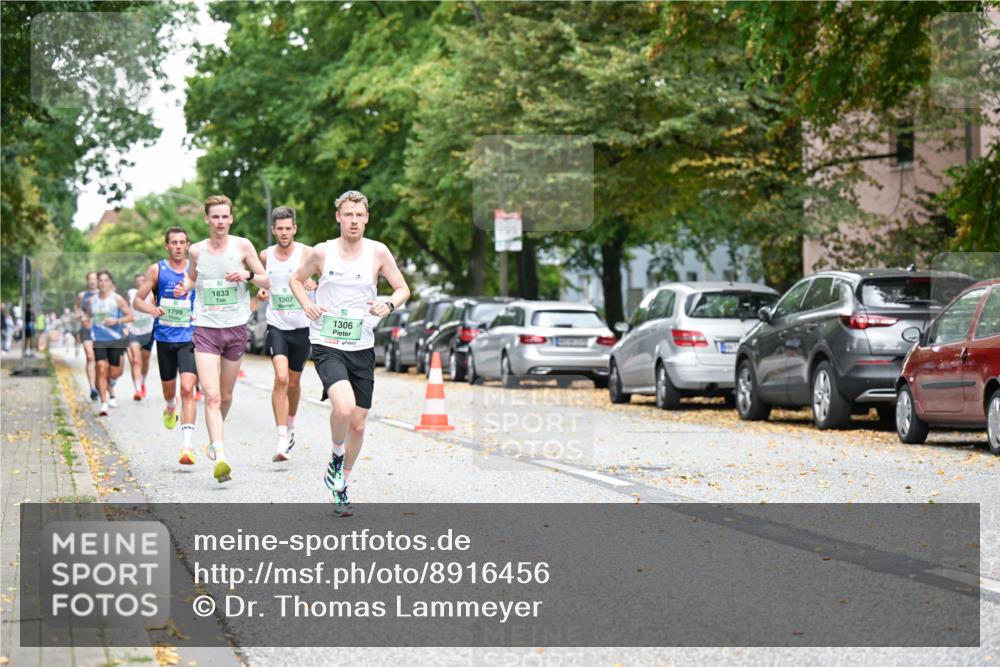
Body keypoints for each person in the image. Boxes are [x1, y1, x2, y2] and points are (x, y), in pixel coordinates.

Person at [289, 190, 409, 517]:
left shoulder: (378, 252)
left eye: (359, 215)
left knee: (358, 423)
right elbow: (297, 281)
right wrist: (308, 304)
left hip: (362, 345)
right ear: (338, 217)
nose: (354, 221)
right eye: (348, 214)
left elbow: (403, 288)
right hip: (328, 343)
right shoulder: (322, 252)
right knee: (343, 408)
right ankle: (336, 456)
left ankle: (341, 481)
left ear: (366, 218)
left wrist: (389, 303)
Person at [174, 195, 269, 483]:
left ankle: (215, 437)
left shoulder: (242, 246)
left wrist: (248, 275)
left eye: (224, 217)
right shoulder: (196, 250)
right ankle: (221, 454)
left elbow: (266, 279)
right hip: (205, 328)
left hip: (236, 327)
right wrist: (184, 287)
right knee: (212, 395)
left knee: (225, 396)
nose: (220, 222)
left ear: (231, 219)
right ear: (207, 219)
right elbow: (192, 278)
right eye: (215, 217)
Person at [133, 227, 199, 464]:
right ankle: (170, 406)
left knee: (188, 388)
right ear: (167, 245)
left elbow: (206, 295)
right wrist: (151, 309)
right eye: (174, 242)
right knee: (171, 392)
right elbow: (137, 300)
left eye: (182, 242)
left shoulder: (196, 269)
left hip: (190, 338)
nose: (179, 246)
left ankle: (187, 447)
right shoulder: (157, 269)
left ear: (188, 245)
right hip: (165, 339)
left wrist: (199, 314)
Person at [256, 207, 317, 462]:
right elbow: (261, 281)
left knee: (293, 382)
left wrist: (314, 284)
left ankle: (290, 425)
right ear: (273, 230)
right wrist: (261, 292)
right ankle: (281, 439)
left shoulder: (307, 253)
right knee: (280, 378)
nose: (283, 232)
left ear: (294, 228)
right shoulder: (265, 255)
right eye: (279, 228)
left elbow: (324, 282)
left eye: (287, 228)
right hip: (277, 324)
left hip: (302, 326)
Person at [84, 270, 133, 416]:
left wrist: (117, 321)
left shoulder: (117, 299)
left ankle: (110, 383)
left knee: (114, 372)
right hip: (99, 339)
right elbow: (88, 317)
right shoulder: (92, 301)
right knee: (100, 366)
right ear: (97, 283)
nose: (103, 283)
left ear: (111, 282)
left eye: (106, 280)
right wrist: (86, 323)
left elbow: (130, 316)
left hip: (116, 339)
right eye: (101, 280)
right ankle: (104, 403)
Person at [126, 273, 155, 400]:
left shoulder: (152, 294)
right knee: (136, 360)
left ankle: (142, 382)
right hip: (133, 331)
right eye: (138, 281)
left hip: (148, 330)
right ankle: (137, 389)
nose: (140, 283)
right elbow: (125, 307)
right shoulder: (131, 293)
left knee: (145, 359)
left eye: (143, 280)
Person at [75, 272, 100, 399]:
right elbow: (77, 309)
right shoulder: (82, 295)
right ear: (87, 281)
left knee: (101, 361)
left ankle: (100, 383)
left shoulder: (104, 294)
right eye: (90, 279)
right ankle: (93, 388)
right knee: (90, 357)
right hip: (86, 329)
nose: (92, 281)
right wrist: (80, 317)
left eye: (94, 279)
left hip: (102, 330)